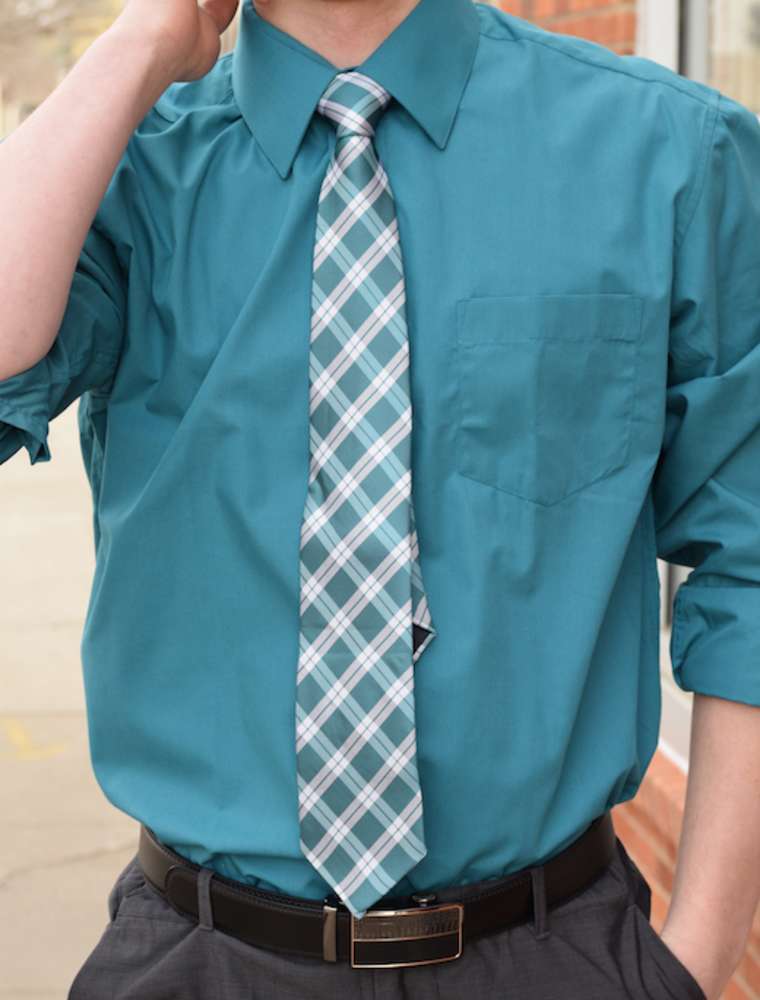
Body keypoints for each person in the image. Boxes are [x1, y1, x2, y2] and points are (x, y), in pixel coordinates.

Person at [1, 0, 760, 996]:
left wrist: (696, 956)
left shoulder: (668, 153)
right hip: (200, 957)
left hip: (555, 952)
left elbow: (747, 561)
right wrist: (141, 40)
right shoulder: (127, 165)